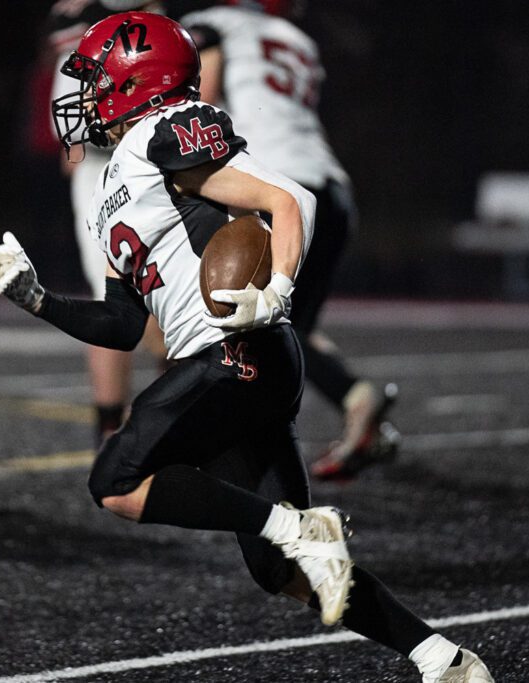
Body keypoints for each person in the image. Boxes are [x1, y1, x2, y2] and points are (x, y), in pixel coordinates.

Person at [0, 12, 492, 682]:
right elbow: (120, 323)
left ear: (132, 79)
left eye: (92, 79)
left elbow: (288, 200)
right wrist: (39, 300)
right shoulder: (115, 187)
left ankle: (295, 527)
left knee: (113, 479)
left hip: (235, 349)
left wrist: (280, 287)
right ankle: (444, 658)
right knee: (278, 572)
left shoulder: (170, 129)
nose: (82, 96)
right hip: (238, 366)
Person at [176, 0, 400, 481]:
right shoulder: (299, 41)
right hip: (332, 189)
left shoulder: (216, 24)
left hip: (274, 186)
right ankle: (358, 403)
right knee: (293, 323)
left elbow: (203, 100)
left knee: (247, 319)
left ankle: (247, 452)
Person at [47, 0, 168, 447]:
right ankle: (159, 421)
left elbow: (70, 146)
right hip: (131, 174)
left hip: (121, 177)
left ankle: (118, 426)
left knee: (138, 301)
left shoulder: (95, 44)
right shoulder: (158, 39)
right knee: (150, 299)